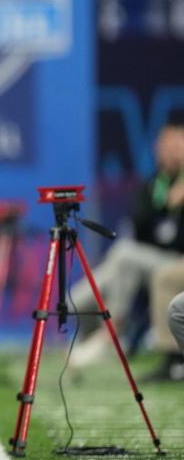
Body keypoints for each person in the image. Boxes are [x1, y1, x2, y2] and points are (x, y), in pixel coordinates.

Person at [70, 120, 184, 367]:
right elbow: (140, 224)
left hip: (176, 260)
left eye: (177, 144)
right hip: (147, 259)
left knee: (124, 254)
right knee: (76, 303)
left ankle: (111, 333)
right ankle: (94, 344)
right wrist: (166, 204)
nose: (172, 150)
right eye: (166, 144)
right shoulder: (154, 184)